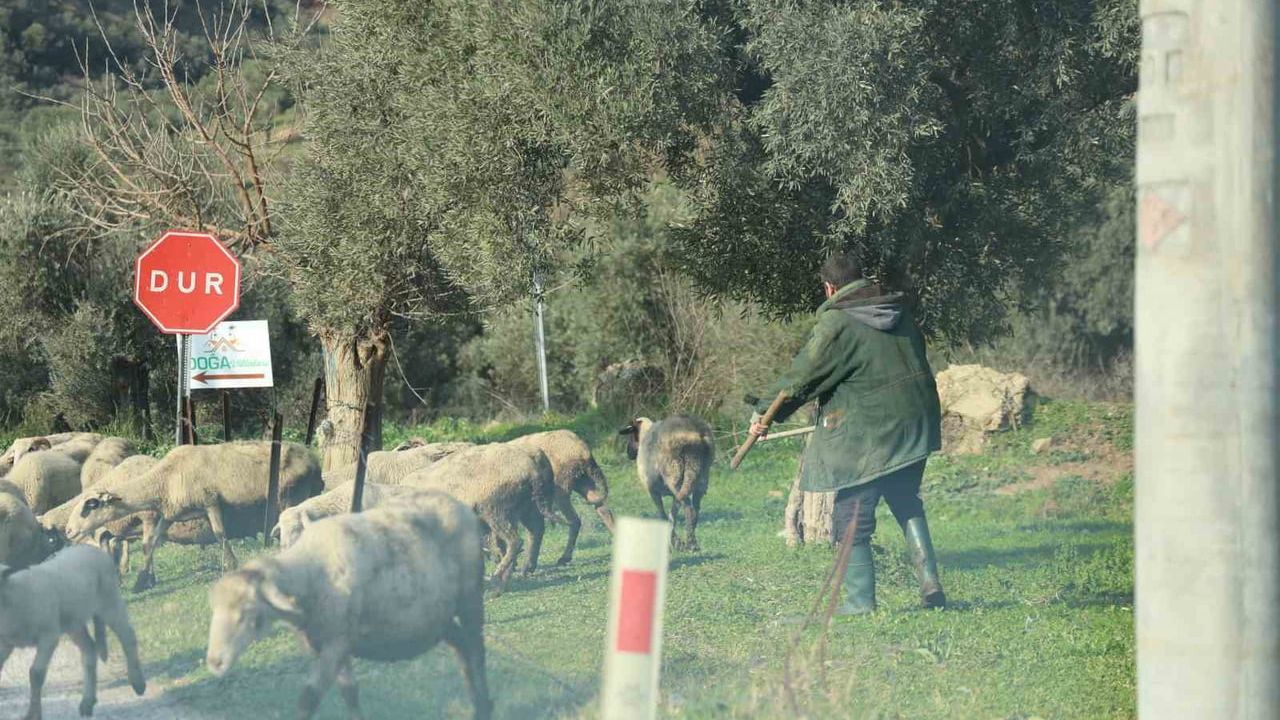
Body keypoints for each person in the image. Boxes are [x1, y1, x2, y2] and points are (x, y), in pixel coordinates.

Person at [750, 252, 944, 614]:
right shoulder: (898, 311)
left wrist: (764, 412)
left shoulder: (838, 322)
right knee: (904, 498)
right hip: (916, 424)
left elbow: (802, 376)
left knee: (851, 515)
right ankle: (930, 581)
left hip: (869, 432)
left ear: (829, 287)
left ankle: (858, 603)